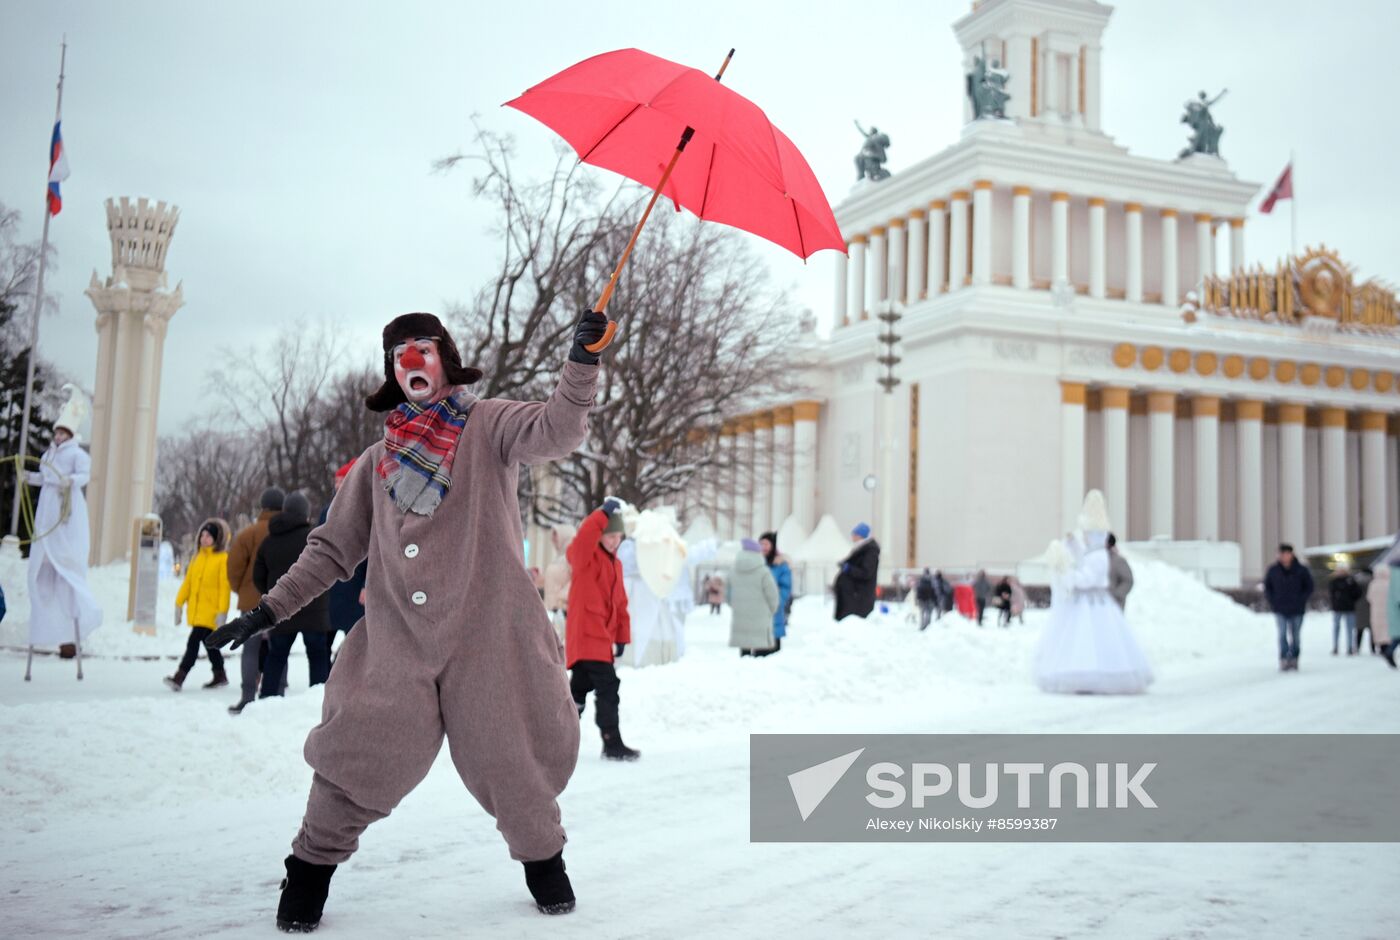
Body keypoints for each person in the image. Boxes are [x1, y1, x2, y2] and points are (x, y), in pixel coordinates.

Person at [207, 310, 607, 930]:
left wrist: (581, 364)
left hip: (488, 639)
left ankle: (545, 865)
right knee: (359, 752)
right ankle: (308, 872)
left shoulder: (489, 426)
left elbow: (556, 429)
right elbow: (331, 550)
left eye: (423, 348)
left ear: (445, 358)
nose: (411, 360)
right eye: (399, 353)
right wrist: (268, 609)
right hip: (399, 644)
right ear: (393, 373)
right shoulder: (376, 461)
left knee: (514, 760)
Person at [1033, 490, 1154, 694]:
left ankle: (1095, 676)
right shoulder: (1094, 554)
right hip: (1090, 603)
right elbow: (1082, 557)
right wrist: (1070, 546)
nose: (1085, 538)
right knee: (1083, 641)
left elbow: (1087, 580)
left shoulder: (1099, 557)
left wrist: (1067, 573)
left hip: (1094, 603)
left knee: (1091, 641)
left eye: (1087, 535)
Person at [25, 385, 102, 659]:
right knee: (43, 575)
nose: (58, 436)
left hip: (65, 513)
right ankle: (49, 629)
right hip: (46, 514)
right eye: (57, 432)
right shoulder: (49, 455)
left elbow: (85, 475)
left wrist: (70, 481)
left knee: (67, 575)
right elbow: (44, 476)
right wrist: (28, 477)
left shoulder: (76, 454)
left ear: (69, 435)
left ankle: (71, 636)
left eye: (62, 433)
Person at [566, 498, 638, 760]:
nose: (614, 541)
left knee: (578, 691)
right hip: (587, 634)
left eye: (618, 536)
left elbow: (620, 603)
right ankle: (612, 741)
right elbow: (585, 535)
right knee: (608, 686)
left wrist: (621, 637)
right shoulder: (585, 557)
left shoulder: (615, 565)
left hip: (600, 638)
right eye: (609, 535)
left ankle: (556, 741)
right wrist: (602, 514)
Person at [255, 491, 334, 696]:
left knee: (277, 654)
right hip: (314, 608)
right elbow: (327, 570)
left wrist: (273, 593)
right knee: (317, 654)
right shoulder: (315, 539)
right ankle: (318, 699)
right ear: (306, 513)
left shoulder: (269, 540)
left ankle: (267, 697)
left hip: (282, 609)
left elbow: (257, 575)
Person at [226, 486, 285, 714]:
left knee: (249, 650)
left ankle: (247, 696)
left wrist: (241, 589)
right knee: (278, 648)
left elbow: (234, 568)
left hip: (251, 601)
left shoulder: (248, 534)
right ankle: (278, 693)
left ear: (262, 506)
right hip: (282, 600)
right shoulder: (287, 531)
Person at [165, 519, 232, 691]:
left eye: (208, 535)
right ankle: (220, 674)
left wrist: (222, 613)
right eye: (202, 535)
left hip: (210, 612)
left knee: (193, 643)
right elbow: (188, 583)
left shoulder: (222, 559)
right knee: (210, 644)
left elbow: (225, 588)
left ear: (216, 539)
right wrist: (179, 603)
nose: (204, 538)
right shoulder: (197, 558)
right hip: (197, 611)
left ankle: (180, 676)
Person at [320, 461, 368, 657]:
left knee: (357, 638)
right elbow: (318, 546)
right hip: (332, 583)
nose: (338, 485)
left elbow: (375, 550)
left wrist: (367, 584)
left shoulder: (366, 508)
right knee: (325, 638)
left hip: (356, 583)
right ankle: (325, 681)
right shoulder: (327, 511)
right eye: (336, 481)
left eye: (342, 481)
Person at [1263, 543, 1314, 672]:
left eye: (1286, 554)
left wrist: (1301, 599)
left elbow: (1309, 587)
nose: (1284, 556)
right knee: (1282, 634)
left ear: (1291, 554)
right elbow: (1268, 587)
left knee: (1295, 636)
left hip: (1297, 608)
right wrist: (1273, 601)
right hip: (1280, 608)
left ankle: (1294, 657)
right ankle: (1284, 657)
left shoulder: (1301, 570)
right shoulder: (1273, 570)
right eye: (1281, 554)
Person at [729, 538, 779, 655]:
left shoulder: (734, 570)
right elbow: (772, 594)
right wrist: (771, 610)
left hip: (740, 615)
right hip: (761, 617)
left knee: (744, 651)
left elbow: (728, 594)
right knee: (761, 653)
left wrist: (736, 605)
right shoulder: (763, 571)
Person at [834, 522, 880, 620]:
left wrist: (848, 568)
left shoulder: (870, 551)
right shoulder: (860, 549)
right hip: (852, 598)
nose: (852, 537)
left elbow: (866, 573)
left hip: (858, 598)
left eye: (854, 534)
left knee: (854, 627)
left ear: (860, 535)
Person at [758, 531, 792, 655]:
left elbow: (786, 588)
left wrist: (776, 602)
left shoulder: (781, 566)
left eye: (766, 544)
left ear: (772, 545)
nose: (764, 547)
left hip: (774, 614)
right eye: (761, 544)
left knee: (772, 657)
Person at [542, 523, 576, 643]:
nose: (553, 539)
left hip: (564, 612)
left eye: (556, 535)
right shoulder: (559, 557)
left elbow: (576, 580)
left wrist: (561, 597)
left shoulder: (573, 555)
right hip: (552, 612)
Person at [1327, 564, 1362, 656]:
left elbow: (1358, 592)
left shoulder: (1351, 581)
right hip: (1338, 608)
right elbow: (1331, 593)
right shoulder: (1334, 581)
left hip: (1349, 608)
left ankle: (1350, 647)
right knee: (1336, 628)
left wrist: (1351, 599)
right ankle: (1335, 646)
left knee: (1350, 629)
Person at [1366, 563, 1395, 668]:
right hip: (1389, 611)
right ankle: (1388, 649)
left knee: (1378, 629)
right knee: (1387, 630)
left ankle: (1382, 648)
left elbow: (1369, 598)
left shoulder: (1373, 584)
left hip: (1376, 610)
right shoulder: (1390, 583)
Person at [1107, 533, 1134, 610]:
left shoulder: (1118, 560)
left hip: (1114, 607)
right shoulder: (1098, 560)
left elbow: (1128, 581)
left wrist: (1115, 595)